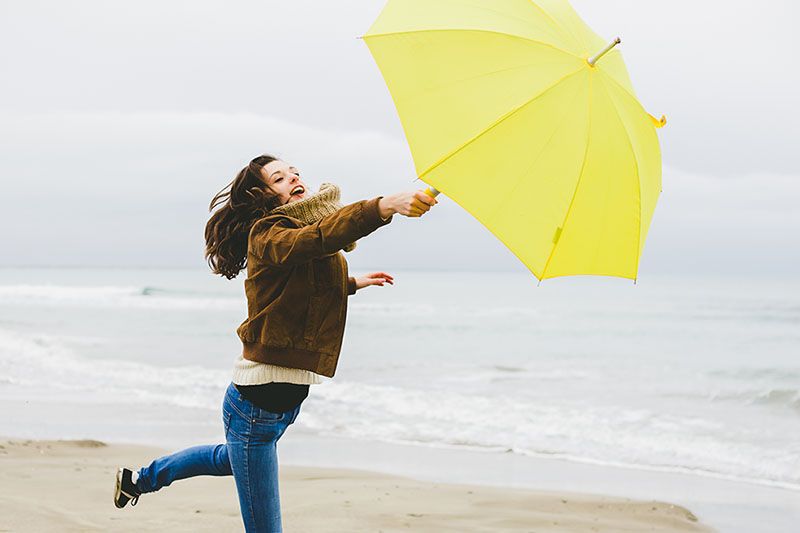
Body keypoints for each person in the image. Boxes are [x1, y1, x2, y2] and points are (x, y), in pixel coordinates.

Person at [112, 154, 437, 532]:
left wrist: (351, 283)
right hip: (256, 407)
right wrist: (382, 206)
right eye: (279, 178)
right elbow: (317, 239)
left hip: (278, 406)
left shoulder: (293, 231)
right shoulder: (267, 233)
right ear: (262, 196)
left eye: (295, 172)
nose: (294, 178)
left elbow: (298, 285)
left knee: (227, 459)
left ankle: (138, 479)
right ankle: (142, 478)